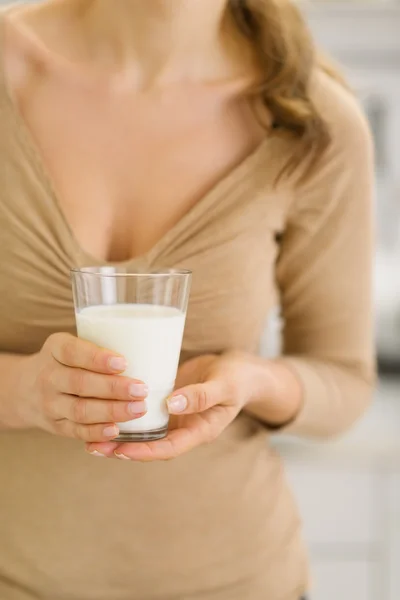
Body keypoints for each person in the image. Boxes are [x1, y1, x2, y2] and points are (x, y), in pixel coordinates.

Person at [0, 0, 375, 599]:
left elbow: (345, 382)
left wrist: (253, 382)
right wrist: (23, 392)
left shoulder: (312, 122)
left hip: (239, 581)